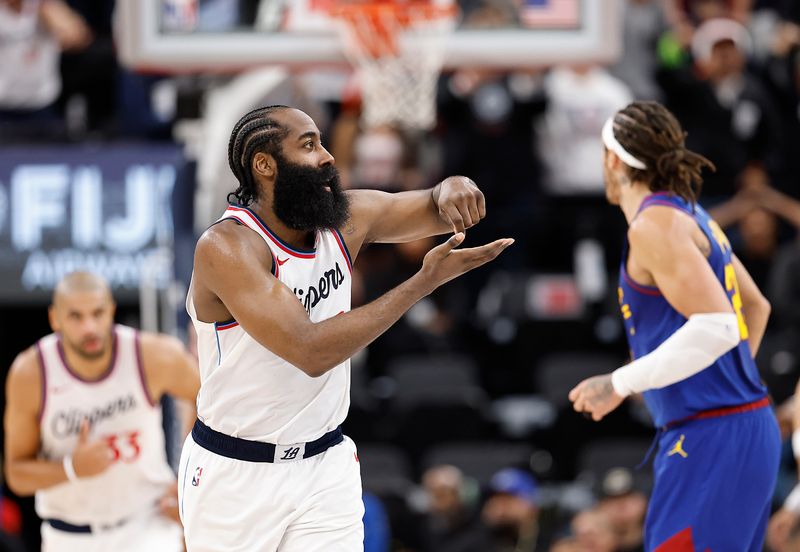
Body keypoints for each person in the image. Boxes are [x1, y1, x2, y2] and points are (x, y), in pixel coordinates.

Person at [178, 104, 512, 551]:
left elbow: (435, 204)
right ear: (265, 165)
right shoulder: (228, 247)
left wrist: (456, 186)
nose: (329, 156)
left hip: (324, 466)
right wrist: (422, 284)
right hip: (237, 474)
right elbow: (310, 351)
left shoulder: (347, 219)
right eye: (309, 145)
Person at [568, 100, 780, 550]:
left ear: (613, 159)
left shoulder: (653, 225)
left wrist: (620, 382)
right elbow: (755, 306)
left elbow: (720, 326)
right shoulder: (691, 214)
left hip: (713, 435)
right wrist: (727, 384)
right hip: (738, 426)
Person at [3, 271, 200, 551]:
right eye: (76, 316)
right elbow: (16, 474)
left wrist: (188, 476)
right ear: (54, 319)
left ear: (111, 310)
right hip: (69, 535)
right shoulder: (31, 373)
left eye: (98, 313)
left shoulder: (153, 355)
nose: (90, 327)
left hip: (147, 525)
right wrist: (72, 468)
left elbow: (208, 398)